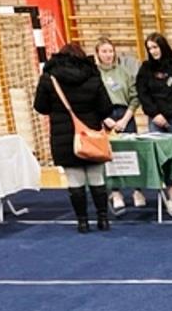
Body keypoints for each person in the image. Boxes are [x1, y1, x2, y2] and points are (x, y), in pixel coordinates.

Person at [33, 42, 113, 233]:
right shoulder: (93, 75)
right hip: (91, 135)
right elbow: (105, 108)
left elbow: (41, 107)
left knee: (74, 180)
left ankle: (82, 222)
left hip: (64, 137)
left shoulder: (49, 78)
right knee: (96, 178)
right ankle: (103, 219)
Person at [136, 32, 172, 217]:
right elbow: (143, 94)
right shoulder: (145, 68)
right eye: (149, 48)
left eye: (155, 47)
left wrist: (166, 114)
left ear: (163, 46)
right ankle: (171, 193)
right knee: (162, 159)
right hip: (155, 119)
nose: (153, 51)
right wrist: (155, 114)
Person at [93, 37, 143, 215]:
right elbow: (91, 98)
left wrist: (125, 118)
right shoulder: (94, 74)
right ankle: (115, 192)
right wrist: (105, 118)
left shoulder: (123, 72)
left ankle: (137, 190)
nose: (108, 55)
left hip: (125, 115)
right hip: (105, 117)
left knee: (132, 153)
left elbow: (135, 97)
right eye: (104, 51)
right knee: (110, 156)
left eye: (110, 51)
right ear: (97, 53)